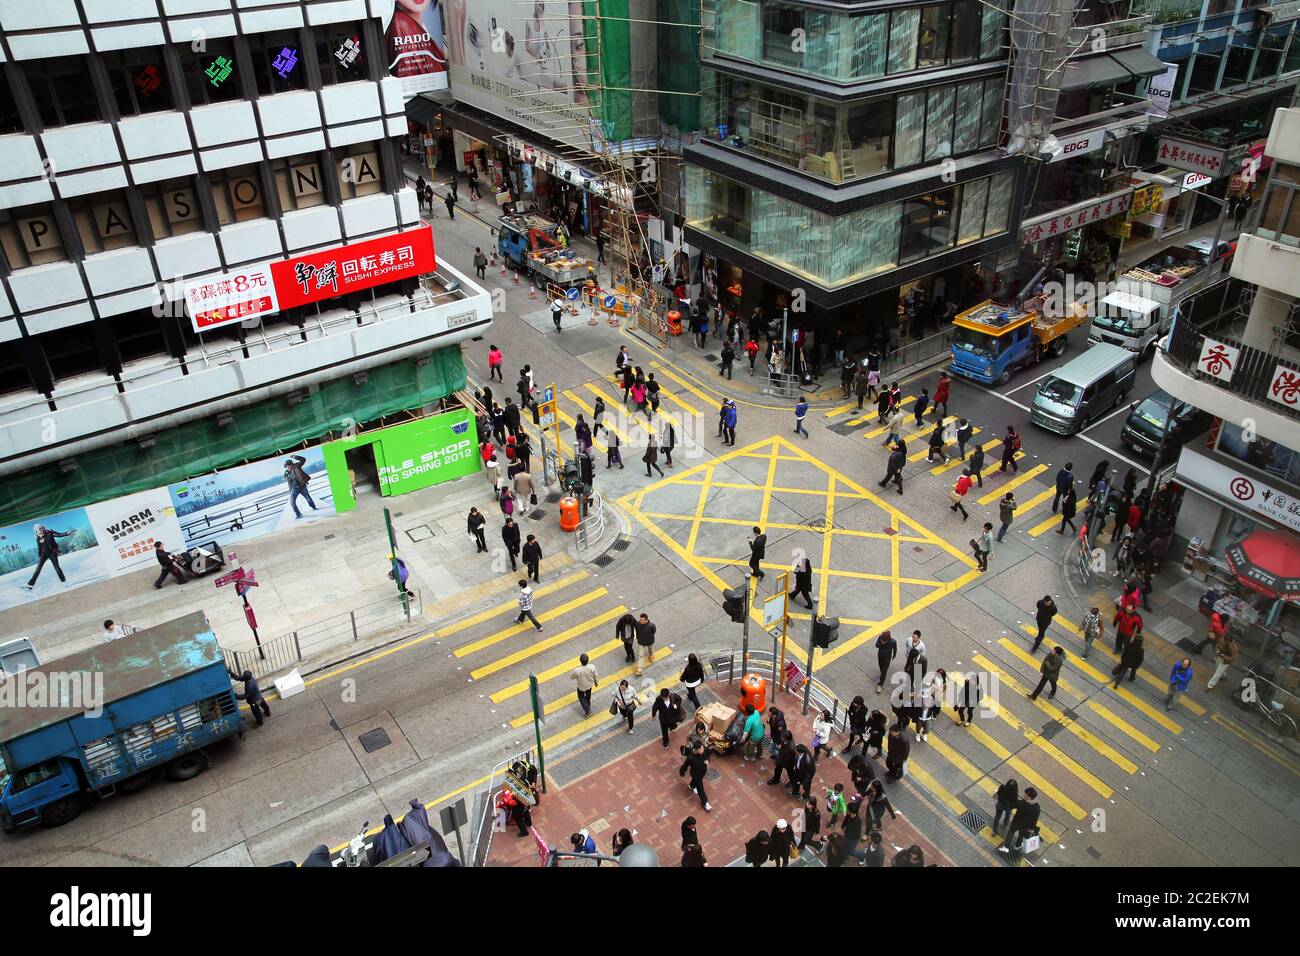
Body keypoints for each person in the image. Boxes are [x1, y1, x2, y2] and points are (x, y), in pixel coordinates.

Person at [997, 787, 1040, 857]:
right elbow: (1035, 819)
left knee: (1010, 833)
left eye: (1026, 794)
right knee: (1021, 835)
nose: (1024, 794)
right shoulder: (1036, 807)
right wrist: (1032, 827)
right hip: (1026, 826)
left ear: (1029, 797)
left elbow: (1010, 805)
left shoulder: (1020, 803)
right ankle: (1017, 846)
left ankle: (1006, 848)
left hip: (1016, 823)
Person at [284, 454, 318, 519]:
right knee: (292, 502)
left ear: (291, 464)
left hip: (302, 486)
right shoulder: (286, 473)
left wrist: (294, 456)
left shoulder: (297, 466)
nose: (287, 467)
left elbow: (303, 459)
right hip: (294, 489)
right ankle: (298, 514)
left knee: (307, 497)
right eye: (286, 466)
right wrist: (286, 478)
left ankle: (314, 507)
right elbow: (288, 482)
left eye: (288, 465)